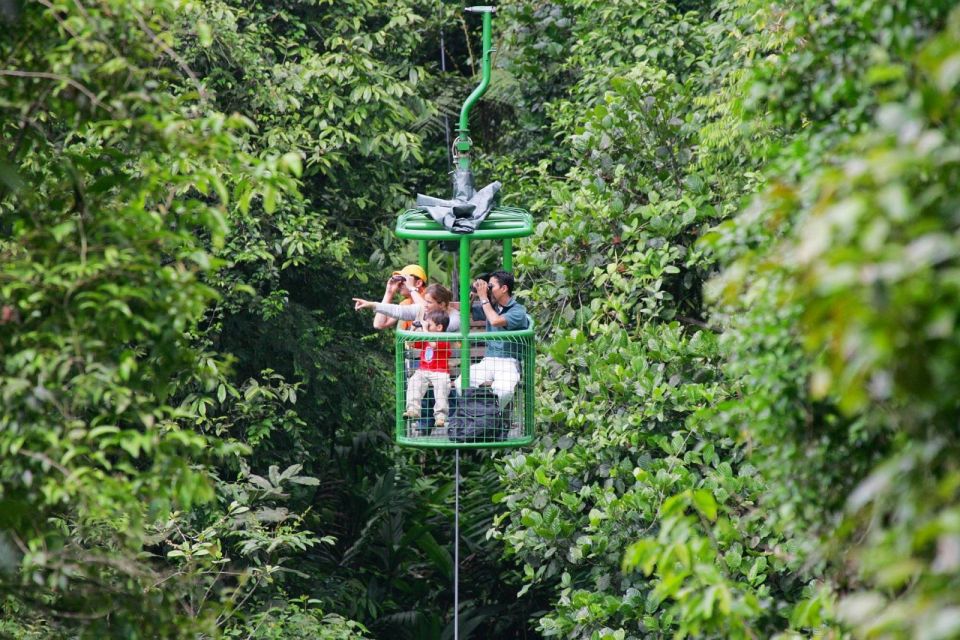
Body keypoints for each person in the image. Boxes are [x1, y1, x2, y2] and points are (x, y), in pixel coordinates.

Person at [454, 270, 528, 409]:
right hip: (488, 360)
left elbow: (495, 320)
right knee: (461, 383)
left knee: (504, 389)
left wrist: (483, 298)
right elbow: (465, 313)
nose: (488, 290)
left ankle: (493, 415)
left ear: (504, 288)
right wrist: (474, 295)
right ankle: (478, 416)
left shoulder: (518, 311)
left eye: (491, 287)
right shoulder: (491, 306)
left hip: (509, 361)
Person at [402, 309, 452, 430]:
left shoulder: (444, 338)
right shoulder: (426, 335)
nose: (427, 326)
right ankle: (413, 410)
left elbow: (433, 345)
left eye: (429, 325)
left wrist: (424, 329)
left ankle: (440, 416)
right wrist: (414, 328)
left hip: (440, 371)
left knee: (442, 387)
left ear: (439, 327)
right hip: (423, 370)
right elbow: (410, 343)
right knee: (414, 382)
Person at [353, 282, 461, 332]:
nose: (425, 305)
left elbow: (439, 328)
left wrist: (419, 327)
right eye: (425, 301)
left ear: (441, 305)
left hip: (450, 363)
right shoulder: (423, 309)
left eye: (429, 302)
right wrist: (371, 304)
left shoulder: (454, 319)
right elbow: (399, 311)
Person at [371, 264, 427, 331]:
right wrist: (389, 293)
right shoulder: (406, 303)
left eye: (404, 280)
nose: (399, 284)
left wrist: (411, 288)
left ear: (418, 283)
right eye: (399, 280)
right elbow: (379, 324)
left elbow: (426, 309)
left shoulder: (432, 298)